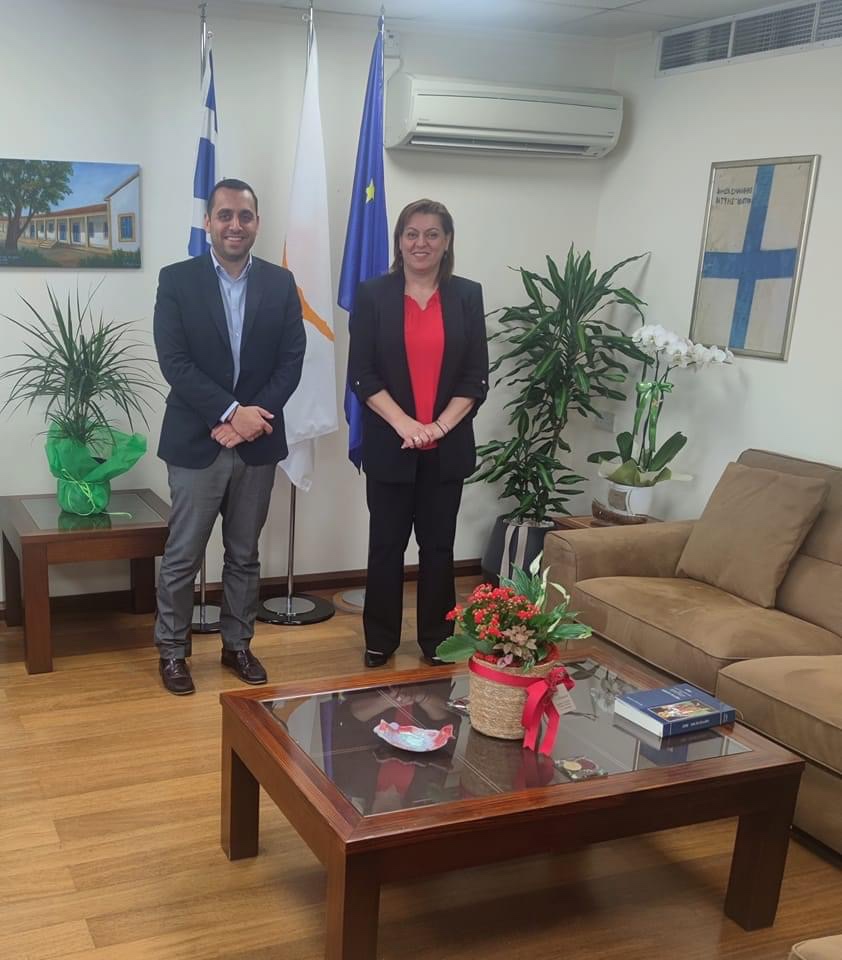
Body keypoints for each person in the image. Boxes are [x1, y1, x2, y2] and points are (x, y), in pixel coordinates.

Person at [152, 178, 305, 695]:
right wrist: (231, 412)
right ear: (208, 223)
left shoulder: (281, 284)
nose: (234, 225)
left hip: (257, 442)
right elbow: (175, 361)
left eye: (244, 215)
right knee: (183, 555)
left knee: (244, 553)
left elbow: (291, 360)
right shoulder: (177, 280)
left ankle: (237, 644)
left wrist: (249, 420)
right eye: (225, 215)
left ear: (256, 223)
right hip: (196, 441)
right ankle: (173, 652)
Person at [347, 198, 489, 668]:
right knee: (386, 546)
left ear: (447, 242)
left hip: (447, 448)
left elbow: (476, 376)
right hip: (392, 444)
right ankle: (380, 639)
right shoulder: (373, 295)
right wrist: (407, 425)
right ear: (399, 241)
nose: (421, 243)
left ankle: (437, 640)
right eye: (412, 233)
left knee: (439, 548)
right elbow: (362, 373)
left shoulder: (467, 295)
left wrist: (439, 427)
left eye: (432, 234)